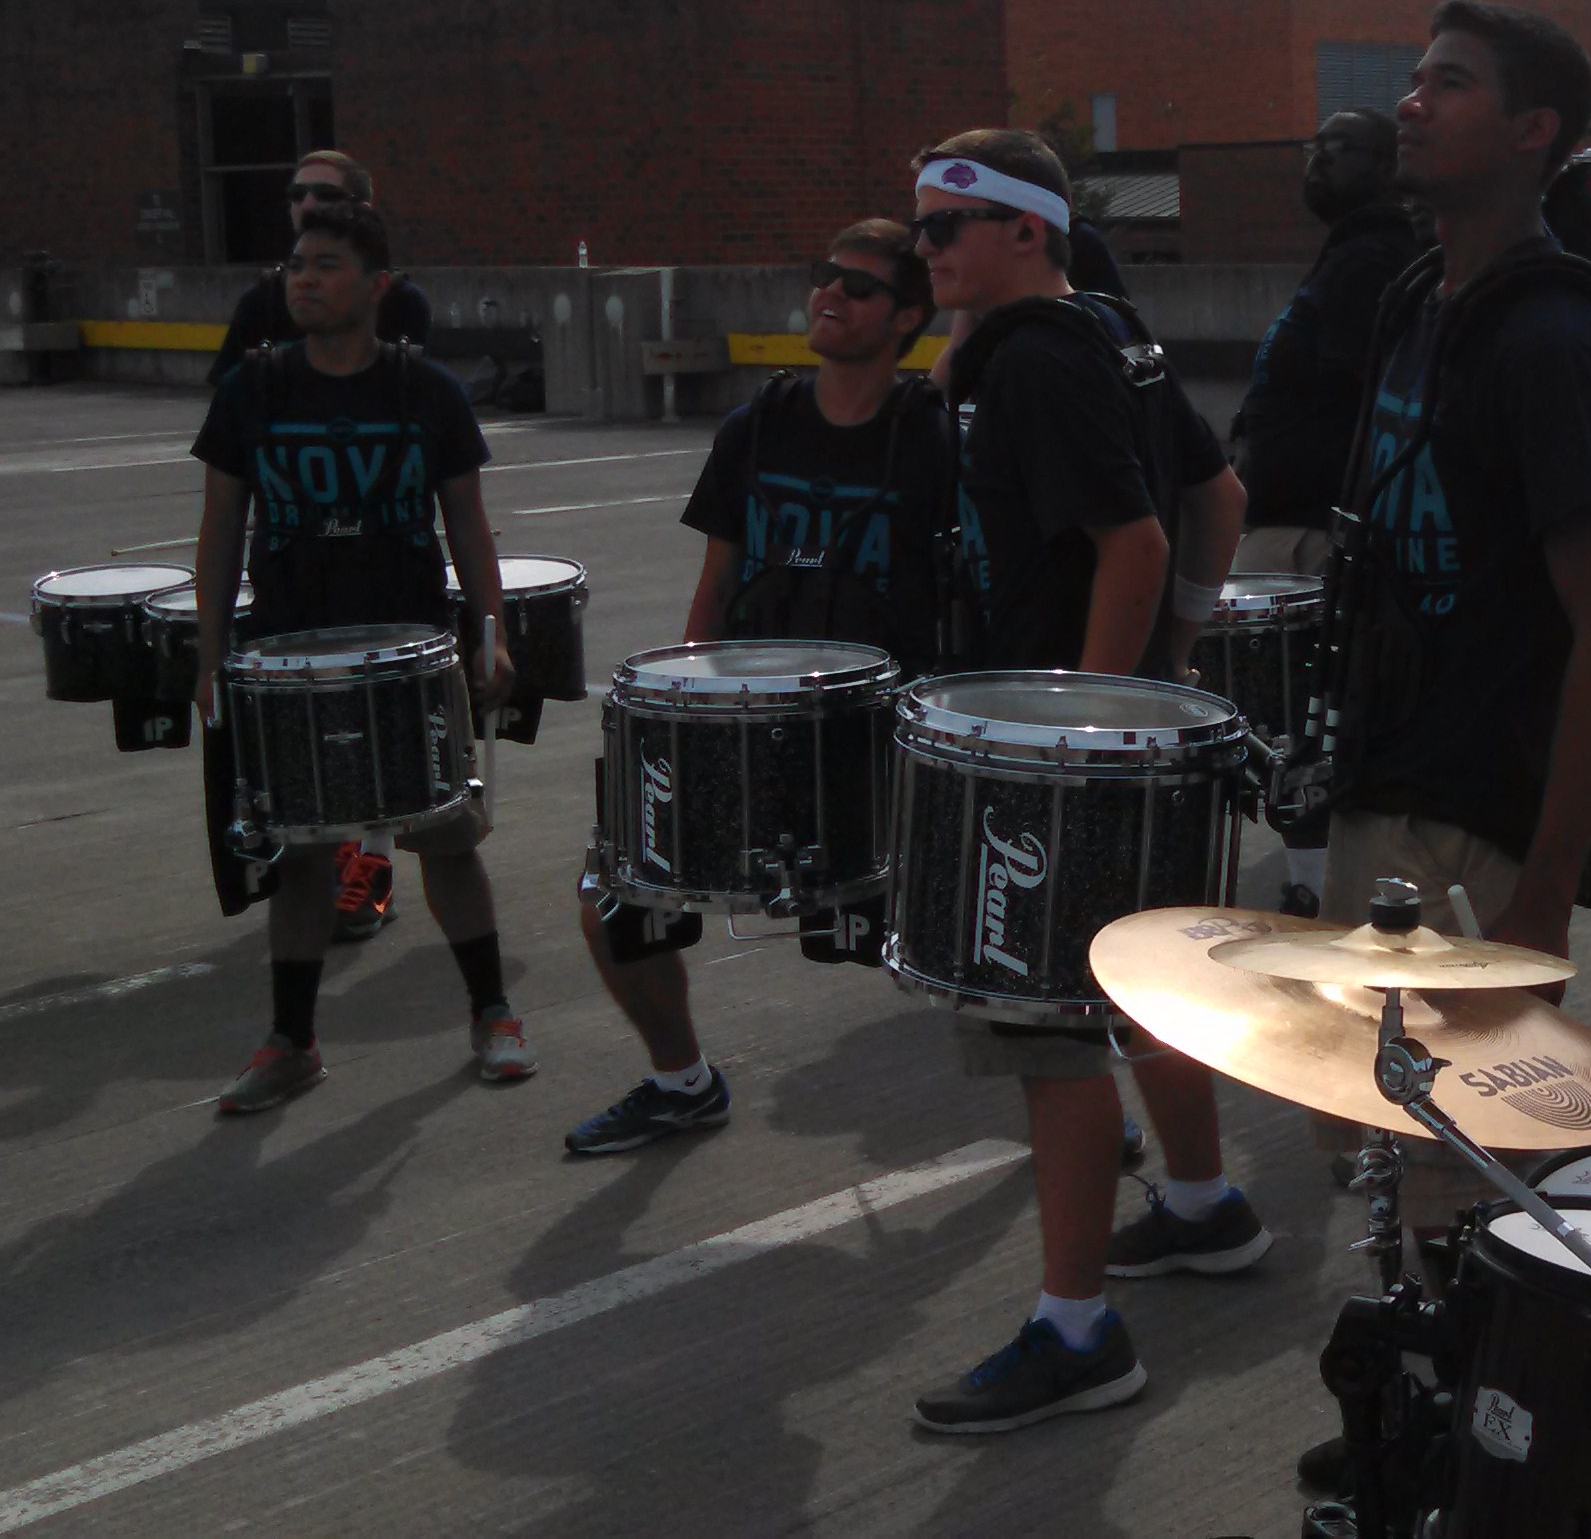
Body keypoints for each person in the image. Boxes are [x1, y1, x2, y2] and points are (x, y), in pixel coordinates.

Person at [903, 128, 1265, 1437]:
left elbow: (1137, 541)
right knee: (1142, 989)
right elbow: (1220, 497)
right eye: (919, 227)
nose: (925, 249)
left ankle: (1076, 1331)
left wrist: (1083, 732)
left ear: (1024, 230)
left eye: (945, 227)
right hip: (1124, 724)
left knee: (1045, 1027)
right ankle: (1202, 1203)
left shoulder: (1038, 361)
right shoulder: (1107, 328)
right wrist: (1174, 660)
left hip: (1057, 745)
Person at [560, 221, 953, 1156]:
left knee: (970, 928)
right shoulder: (758, 424)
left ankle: (1070, 1103)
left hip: (877, 736)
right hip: (749, 725)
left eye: (859, 286)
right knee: (615, 895)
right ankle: (681, 1083)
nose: (831, 294)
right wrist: (687, 713)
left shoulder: (936, 437)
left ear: (907, 317)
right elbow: (718, 578)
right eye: (825, 275)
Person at [184, 201, 534, 1113]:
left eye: (326, 264)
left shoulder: (427, 392)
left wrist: (491, 635)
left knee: (444, 837)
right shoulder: (253, 389)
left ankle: (493, 1011)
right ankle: (292, 1041)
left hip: (409, 650)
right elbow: (220, 530)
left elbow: (468, 527)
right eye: (296, 264)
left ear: (378, 286)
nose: (304, 279)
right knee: (303, 850)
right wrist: (211, 657)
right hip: (290, 652)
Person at [1317, 0, 1591, 963]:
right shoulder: (1419, 298)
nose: (1411, 104)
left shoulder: (1550, 337)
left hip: (1467, 834)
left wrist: (1544, 897)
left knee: (1427, 1069)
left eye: (1449, 84)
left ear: (1531, 129)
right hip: (1383, 789)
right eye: (1415, 81)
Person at [206, 149, 435, 945]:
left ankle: (373, 861)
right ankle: (327, 856)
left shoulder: (398, 302)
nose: (304, 203)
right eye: (296, 193)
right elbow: (227, 412)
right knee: (311, 724)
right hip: (295, 548)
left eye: (323, 193)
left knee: (381, 716)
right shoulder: (263, 301)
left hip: (380, 545)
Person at [1232, 106, 1420, 918]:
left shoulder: (1370, 260)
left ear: (1386, 167)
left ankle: (1315, 885)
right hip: (1294, 522)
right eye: (1314, 147)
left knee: (1294, 724)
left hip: (1312, 534)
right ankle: (1314, 873)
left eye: (1339, 149)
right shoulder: (1351, 253)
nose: (1318, 160)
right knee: (1289, 723)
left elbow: (1370, 396)